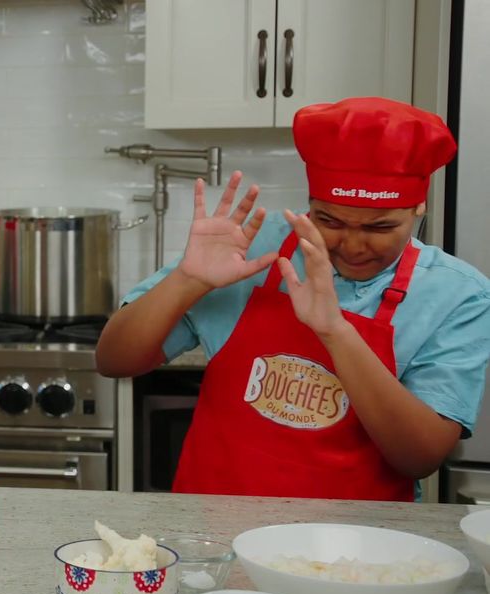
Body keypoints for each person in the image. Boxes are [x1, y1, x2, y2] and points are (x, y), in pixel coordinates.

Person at [96, 97, 490, 501]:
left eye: (380, 227)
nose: (353, 246)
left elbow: (419, 457)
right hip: (214, 528)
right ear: (310, 204)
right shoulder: (251, 248)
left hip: (360, 539)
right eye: (329, 220)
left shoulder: (456, 295)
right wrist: (187, 280)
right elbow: (114, 361)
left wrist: (335, 331)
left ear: (419, 207)